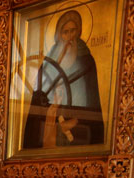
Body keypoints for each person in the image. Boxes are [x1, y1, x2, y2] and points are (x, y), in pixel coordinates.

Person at [23, 10, 103, 148]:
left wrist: (74, 121)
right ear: (59, 35)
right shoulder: (48, 62)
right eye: (65, 32)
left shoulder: (87, 62)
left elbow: (93, 103)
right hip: (47, 123)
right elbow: (37, 100)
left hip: (80, 128)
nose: (70, 36)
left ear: (78, 32)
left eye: (73, 31)